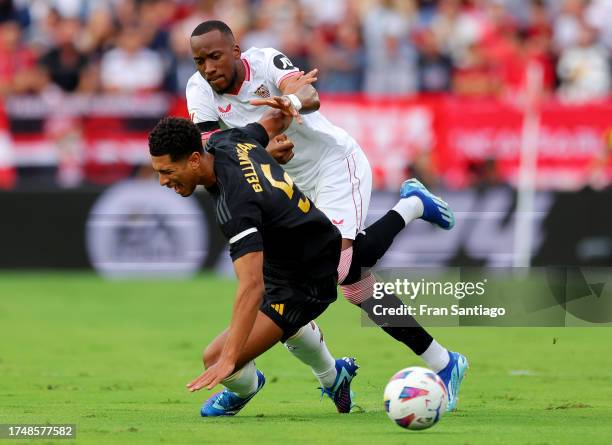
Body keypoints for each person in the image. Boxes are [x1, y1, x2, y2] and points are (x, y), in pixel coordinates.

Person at [186, 20, 468, 411]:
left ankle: (412, 206)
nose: (208, 67)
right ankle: (430, 362)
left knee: (335, 269)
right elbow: (216, 154)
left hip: (333, 166)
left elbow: (308, 93)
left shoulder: (265, 61)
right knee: (322, 282)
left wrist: (292, 103)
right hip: (282, 183)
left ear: (235, 51)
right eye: (200, 60)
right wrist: (266, 151)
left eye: (215, 56)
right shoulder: (198, 91)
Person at [149, 109, 358, 416]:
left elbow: (251, 287)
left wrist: (231, 360)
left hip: (307, 275)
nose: (162, 180)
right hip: (292, 254)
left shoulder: (235, 204)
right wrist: (288, 104)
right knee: (268, 331)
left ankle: (248, 387)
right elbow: (275, 120)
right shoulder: (228, 139)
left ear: (194, 159)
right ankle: (333, 375)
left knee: (216, 359)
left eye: (167, 171)